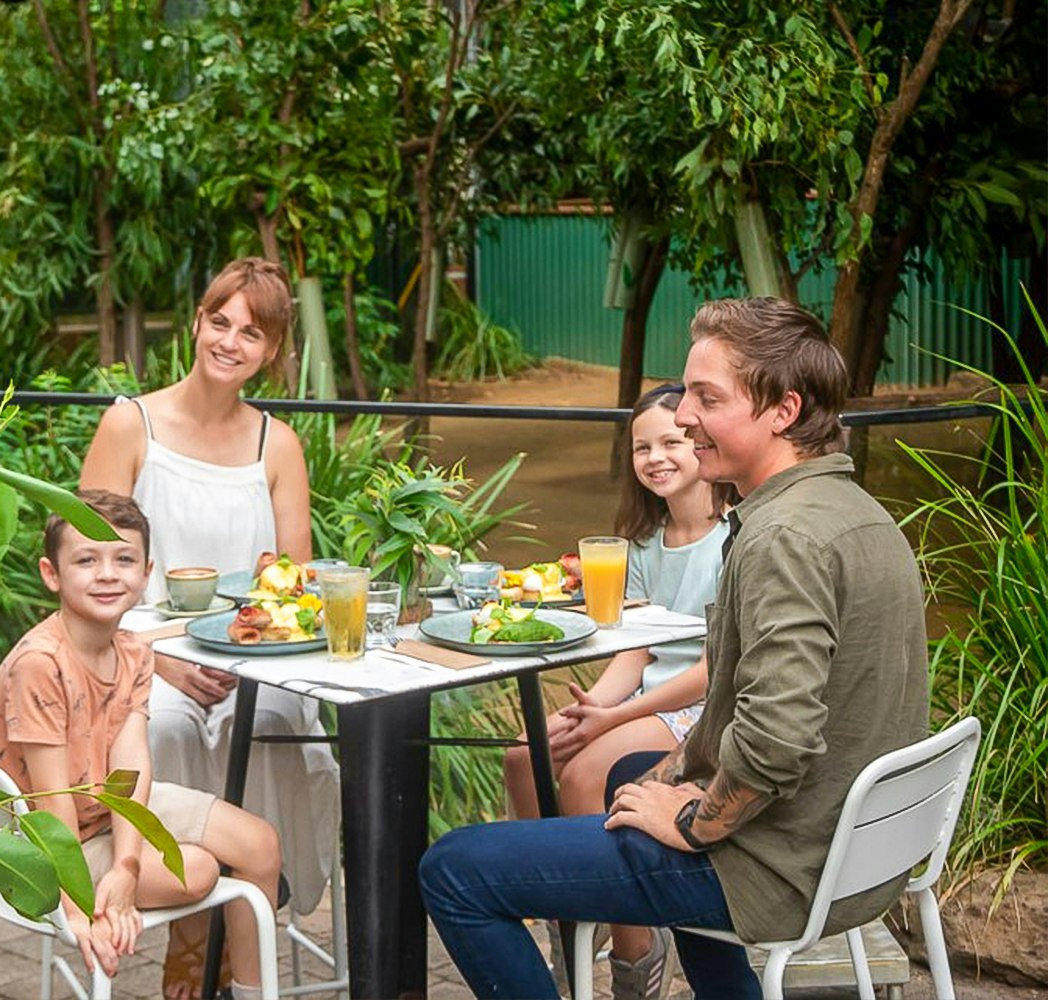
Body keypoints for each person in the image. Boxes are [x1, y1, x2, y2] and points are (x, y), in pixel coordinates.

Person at [420, 297, 930, 999]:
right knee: (632, 773)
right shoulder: (854, 510)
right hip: (847, 848)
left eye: (707, 398)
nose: (684, 416)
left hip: (776, 865)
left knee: (455, 869)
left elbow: (777, 741)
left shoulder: (783, 539)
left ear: (783, 411)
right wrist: (669, 781)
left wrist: (692, 821)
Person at [80, 257, 340, 998]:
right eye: (219, 321)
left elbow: (293, 589)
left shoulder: (276, 445)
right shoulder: (131, 424)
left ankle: (246, 916)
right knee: (162, 727)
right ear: (196, 323)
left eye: (251, 333)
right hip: (143, 651)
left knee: (274, 724)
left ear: (273, 349)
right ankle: (195, 941)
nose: (230, 341)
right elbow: (87, 570)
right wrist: (160, 661)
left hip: (250, 659)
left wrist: (250, 641)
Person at [0, 490, 281, 1000]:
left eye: (123, 559)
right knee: (198, 868)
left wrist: (126, 868)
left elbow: (131, 764)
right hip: (46, 844)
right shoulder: (40, 664)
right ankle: (172, 937)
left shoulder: (134, 653)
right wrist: (79, 905)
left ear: (146, 574)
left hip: (101, 804)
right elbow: (51, 805)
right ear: (52, 574)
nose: (107, 574)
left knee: (259, 843)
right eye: (86, 560)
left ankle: (250, 994)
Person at [502, 384, 734, 997]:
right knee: (525, 753)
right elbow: (635, 653)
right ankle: (567, 922)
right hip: (645, 698)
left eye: (671, 442)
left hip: (698, 708)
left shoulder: (731, 542)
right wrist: (595, 708)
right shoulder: (644, 541)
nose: (655, 458)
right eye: (641, 448)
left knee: (585, 775)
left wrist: (613, 720)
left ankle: (635, 952)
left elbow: (710, 673)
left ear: (700, 441)